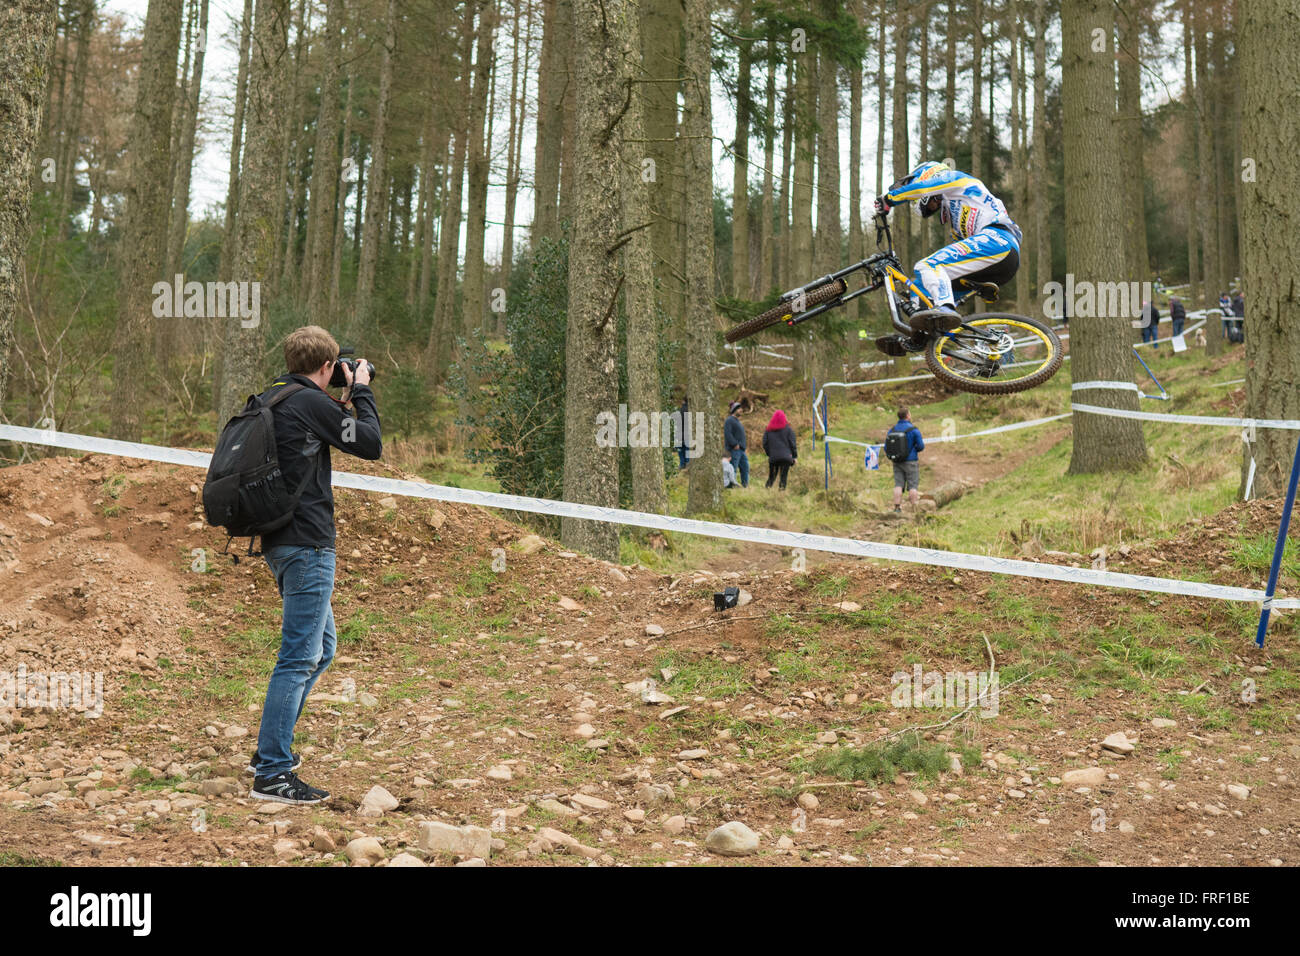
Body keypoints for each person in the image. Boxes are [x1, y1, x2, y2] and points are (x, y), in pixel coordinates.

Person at [249, 325, 382, 804]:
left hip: (280, 541)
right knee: (300, 656)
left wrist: (344, 395)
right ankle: (272, 771)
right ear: (327, 367)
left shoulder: (278, 397)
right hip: (307, 545)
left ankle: (271, 748)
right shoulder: (309, 402)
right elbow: (368, 442)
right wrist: (361, 390)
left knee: (321, 648)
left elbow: (328, 431)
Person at [872, 160, 1023, 356]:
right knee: (921, 286)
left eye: (934, 201)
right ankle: (925, 336)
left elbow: (924, 188)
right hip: (993, 262)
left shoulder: (959, 180)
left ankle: (946, 308)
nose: (934, 205)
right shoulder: (956, 225)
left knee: (928, 265)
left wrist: (889, 199)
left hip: (998, 240)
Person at [887, 407, 925, 513]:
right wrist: (913, 450)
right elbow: (921, 446)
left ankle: (897, 508)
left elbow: (887, 447)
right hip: (911, 461)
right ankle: (914, 509)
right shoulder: (913, 430)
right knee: (913, 485)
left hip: (897, 461)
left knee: (898, 484)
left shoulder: (892, 430)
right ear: (908, 415)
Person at [762, 409, 797, 490]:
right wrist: (794, 456)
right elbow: (793, 444)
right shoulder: (788, 429)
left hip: (773, 457)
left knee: (772, 477)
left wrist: (770, 453)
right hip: (786, 457)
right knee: (783, 477)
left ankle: (766, 491)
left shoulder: (768, 430)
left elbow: (764, 444)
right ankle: (781, 493)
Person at [724, 401, 749, 488]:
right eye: (739, 408)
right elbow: (728, 434)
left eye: (741, 408)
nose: (741, 410)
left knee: (745, 468)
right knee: (732, 468)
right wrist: (734, 444)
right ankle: (730, 486)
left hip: (741, 450)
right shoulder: (729, 420)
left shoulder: (737, 421)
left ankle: (745, 485)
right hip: (734, 450)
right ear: (734, 410)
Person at [676, 397, 690, 469]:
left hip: (679, 433)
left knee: (680, 449)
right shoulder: (690, 410)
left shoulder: (680, 410)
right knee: (687, 448)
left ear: (683, 401)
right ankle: (688, 463)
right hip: (687, 433)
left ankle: (682, 464)